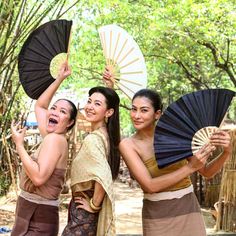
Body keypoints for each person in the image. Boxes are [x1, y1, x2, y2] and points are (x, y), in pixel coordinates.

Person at [103, 70, 232, 236]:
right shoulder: (128, 145)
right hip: (157, 214)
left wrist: (226, 152)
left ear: (157, 114)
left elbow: (206, 172)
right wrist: (190, 167)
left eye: (144, 110)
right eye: (133, 109)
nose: (136, 115)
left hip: (188, 207)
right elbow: (149, 186)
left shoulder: (175, 135)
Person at [11, 62, 77, 236]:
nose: (54, 112)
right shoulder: (50, 135)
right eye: (54, 108)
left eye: (63, 112)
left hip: (39, 214)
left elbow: (39, 178)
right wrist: (60, 78)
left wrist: (19, 145)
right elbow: (40, 106)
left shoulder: (55, 139)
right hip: (27, 210)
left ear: (70, 122)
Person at [62, 86, 120, 236]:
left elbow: (102, 175)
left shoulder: (93, 140)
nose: (90, 107)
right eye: (89, 101)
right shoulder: (106, 136)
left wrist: (94, 205)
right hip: (87, 215)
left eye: (97, 104)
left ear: (109, 112)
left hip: (84, 214)